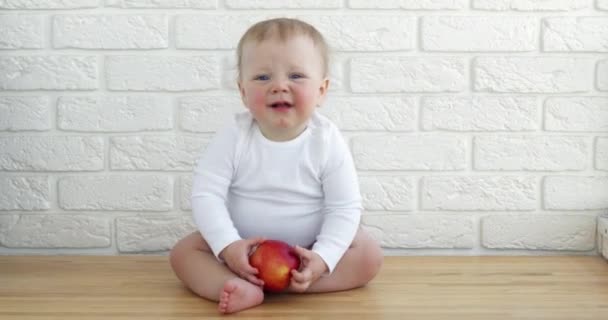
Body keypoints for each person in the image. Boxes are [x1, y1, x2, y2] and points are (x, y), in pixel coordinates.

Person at [169, 17, 383, 314]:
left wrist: (322, 258)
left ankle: (302, 281)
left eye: (296, 76)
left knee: (369, 255)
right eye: (262, 78)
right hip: (244, 247)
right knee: (184, 253)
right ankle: (239, 284)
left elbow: (344, 208)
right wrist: (228, 246)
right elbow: (207, 195)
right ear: (242, 92)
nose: (279, 86)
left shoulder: (327, 140)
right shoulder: (233, 136)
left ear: (322, 90)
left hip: (309, 246)